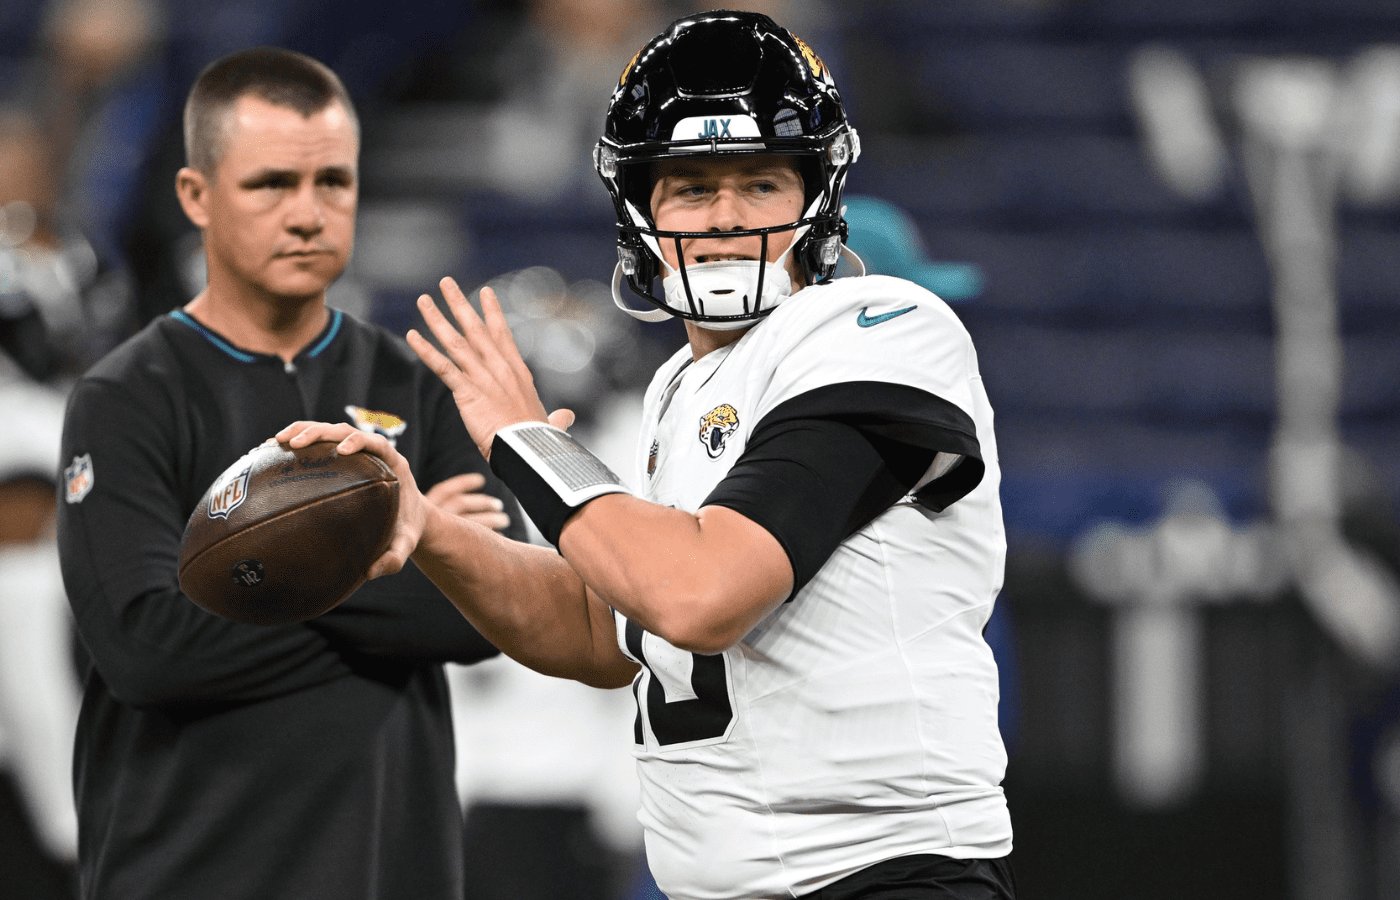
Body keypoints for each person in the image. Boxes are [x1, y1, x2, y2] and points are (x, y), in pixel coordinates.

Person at [284, 11, 1015, 900]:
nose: (726, 217)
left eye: (760, 183)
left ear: (818, 194)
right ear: (640, 207)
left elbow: (699, 597)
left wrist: (527, 442)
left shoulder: (884, 331)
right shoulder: (679, 386)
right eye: (693, 187)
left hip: (881, 880)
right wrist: (427, 525)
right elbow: (605, 627)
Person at [56, 47, 521, 900]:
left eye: (334, 182)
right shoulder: (125, 395)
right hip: (183, 872)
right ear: (197, 196)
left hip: (394, 870)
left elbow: (481, 620)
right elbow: (145, 651)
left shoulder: (418, 380)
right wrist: (397, 547)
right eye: (271, 183)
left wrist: (257, 572)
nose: (308, 213)